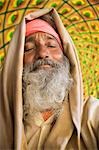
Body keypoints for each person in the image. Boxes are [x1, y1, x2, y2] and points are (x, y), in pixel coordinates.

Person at [0, 8, 99, 150]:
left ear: (67, 59)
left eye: (52, 45)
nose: (42, 53)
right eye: (29, 48)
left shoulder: (91, 114)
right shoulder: (5, 126)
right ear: (16, 66)